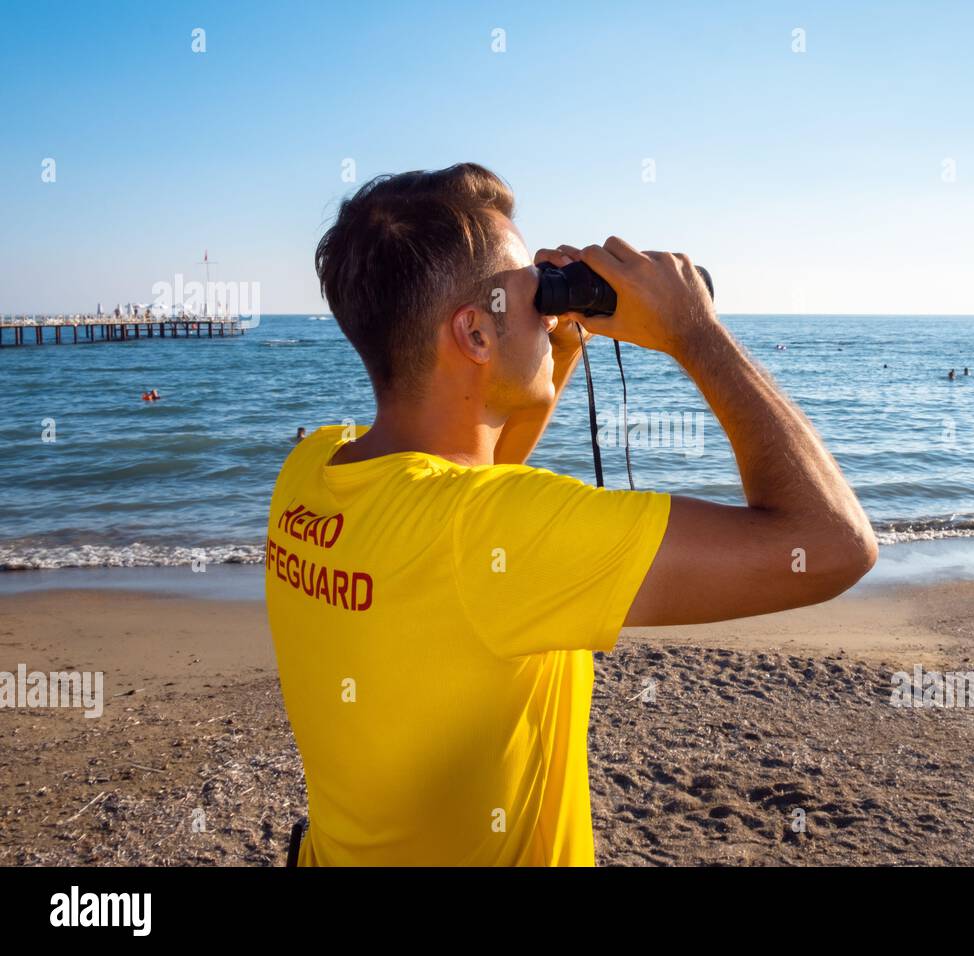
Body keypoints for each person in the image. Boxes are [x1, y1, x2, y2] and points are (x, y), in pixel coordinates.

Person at [265, 164, 876, 867]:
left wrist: (554, 343)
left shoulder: (312, 469)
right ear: (474, 334)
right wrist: (695, 333)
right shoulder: (492, 531)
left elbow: (473, 475)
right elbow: (833, 545)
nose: (547, 307)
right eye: (533, 291)